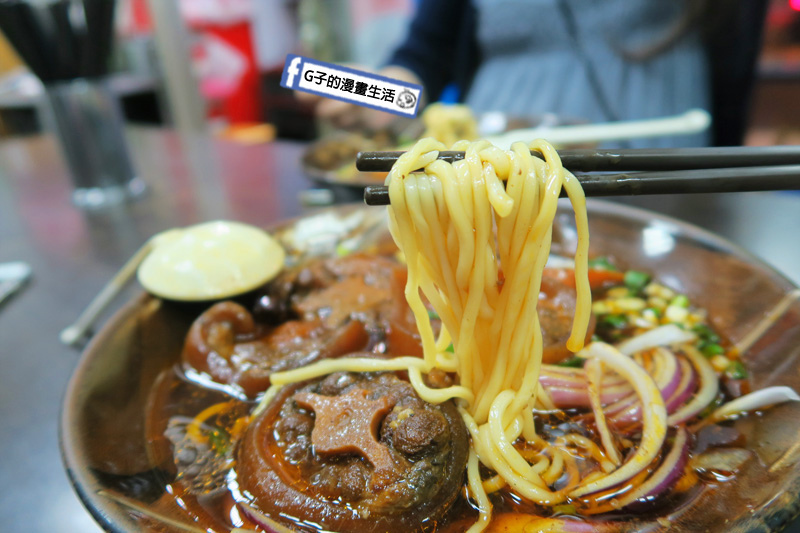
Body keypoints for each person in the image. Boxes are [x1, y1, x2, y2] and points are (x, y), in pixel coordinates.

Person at [307, 0, 767, 147]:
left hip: (656, 135)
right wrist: (373, 93)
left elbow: (733, 40)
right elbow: (425, 53)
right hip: (494, 149)